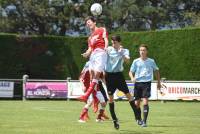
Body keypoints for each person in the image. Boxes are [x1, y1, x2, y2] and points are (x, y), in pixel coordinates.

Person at [105, 35, 138, 130]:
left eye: (115, 42)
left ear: (119, 42)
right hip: (109, 76)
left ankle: (137, 116)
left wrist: (121, 53)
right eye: (112, 42)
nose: (113, 44)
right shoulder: (109, 49)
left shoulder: (124, 50)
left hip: (119, 76)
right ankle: (115, 120)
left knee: (129, 96)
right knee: (110, 99)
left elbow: (127, 61)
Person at [129, 44, 161, 127]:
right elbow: (130, 72)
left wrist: (158, 82)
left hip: (147, 83)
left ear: (147, 51)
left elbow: (157, 71)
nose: (142, 51)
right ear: (139, 51)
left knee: (145, 101)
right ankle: (138, 119)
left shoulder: (151, 61)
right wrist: (132, 78)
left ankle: (144, 121)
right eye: (141, 50)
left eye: (144, 50)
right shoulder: (135, 61)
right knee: (136, 103)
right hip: (137, 83)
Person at [78, 16, 108, 103]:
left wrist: (105, 47)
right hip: (93, 55)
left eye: (89, 22)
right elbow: (90, 49)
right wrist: (86, 53)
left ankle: (86, 95)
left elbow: (105, 39)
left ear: (94, 22)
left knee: (97, 75)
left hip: (100, 52)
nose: (88, 24)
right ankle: (93, 98)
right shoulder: (90, 37)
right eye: (87, 24)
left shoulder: (102, 29)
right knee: (92, 75)